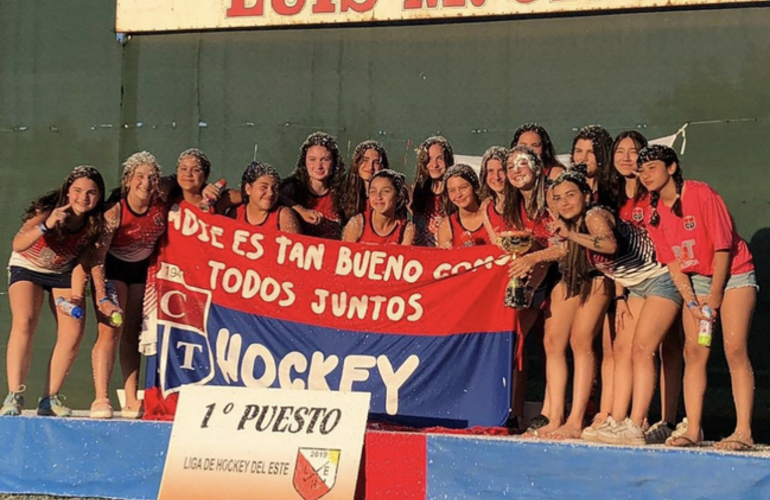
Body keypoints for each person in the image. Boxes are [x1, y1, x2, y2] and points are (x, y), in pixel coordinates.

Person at [639, 145, 757, 450]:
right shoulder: (653, 213)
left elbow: (722, 248)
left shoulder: (702, 194)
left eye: (652, 167)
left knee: (734, 348)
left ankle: (743, 431)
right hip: (697, 283)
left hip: (734, 274)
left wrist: (715, 297)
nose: (646, 174)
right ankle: (693, 429)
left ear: (672, 168)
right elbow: (674, 265)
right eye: (642, 170)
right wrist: (692, 303)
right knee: (695, 352)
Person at [583, 132, 684, 445]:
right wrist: (621, 297)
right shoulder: (611, 201)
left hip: (668, 276)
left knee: (658, 349)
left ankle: (654, 421)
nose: (626, 158)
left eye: (634, 152)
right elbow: (616, 255)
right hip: (631, 286)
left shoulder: (657, 191)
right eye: (620, 151)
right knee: (625, 348)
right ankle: (621, 419)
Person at [509, 165, 613, 439]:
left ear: (585, 196)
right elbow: (561, 248)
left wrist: (536, 257)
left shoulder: (594, 215)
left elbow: (607, 245)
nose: (564, 202)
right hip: (568, 277)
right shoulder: (558, 220)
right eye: (557, 197)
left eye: (570, 195)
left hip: (597, 278)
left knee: (581, 341)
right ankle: (555, 417)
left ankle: (576, 420)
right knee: (552, 342)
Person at [2, 166, 108, 417]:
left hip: (63, 272)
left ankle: (49, 399)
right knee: (25, 321)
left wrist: (75, 294)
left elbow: (85, 263)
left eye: (91, 192)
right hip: (27, 265)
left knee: (73, 330)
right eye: (78, 191)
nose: (84, 198)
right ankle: (14, 395)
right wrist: (47, 225)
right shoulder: (48, 210)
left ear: (99, 196)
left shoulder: (96, 223)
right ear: (67, 192)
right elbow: (18, 243)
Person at [87, 153, 168, 419]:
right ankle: (101, 397)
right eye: (140, 176)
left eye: (151, 177)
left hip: (141, 271)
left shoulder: (162, 205)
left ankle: (131, 398)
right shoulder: (115, 211)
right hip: (113, 269)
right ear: (128, 180)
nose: (146, 182)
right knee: (111, 330)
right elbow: (97, 256)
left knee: (133, 333)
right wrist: (101, 295)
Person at [280, 131, 346, 239]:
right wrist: (301, 211)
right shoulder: (292, 188)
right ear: (304, 162)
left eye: (325, 159)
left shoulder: (344, 192)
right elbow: (271, 196)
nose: (318, 166)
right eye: (312, 159)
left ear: (334, 162)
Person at [342, 169, 414, 245]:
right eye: (373, 191)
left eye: (385, 191)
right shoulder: (358, 223)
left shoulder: (406, 229)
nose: (378, 197)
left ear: (398, 196)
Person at [228, 162, 300, 233]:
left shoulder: (283, 215)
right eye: (264, 187)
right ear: (248, 189)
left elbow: (295, 243)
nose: (270, 193)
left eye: (275, 188)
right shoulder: (236, 213)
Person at [412, 136, 454, 247]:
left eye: (440, 158)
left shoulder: (455, 194)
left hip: (446, 257)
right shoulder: (417, 192)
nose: (434, 165)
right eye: (429, 159)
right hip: (419, 258)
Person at [436, 165, 490, 248]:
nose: (458, 194)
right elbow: (443, 259)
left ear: (474, 187)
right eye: (452, 190)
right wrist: (444, 252)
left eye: (463, 187)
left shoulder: (492, 215)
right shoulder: (447, 226)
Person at [341, 140, 388, 222]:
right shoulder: (345, 191)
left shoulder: (390, 195)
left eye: (376, 162)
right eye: (365, 160)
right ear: (357, 162)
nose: (370, 167)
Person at [478, 146, 508, 237]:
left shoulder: (522, 203)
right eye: (490, 171)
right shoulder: (486, 207)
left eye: (501, 170)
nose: (496, 177)